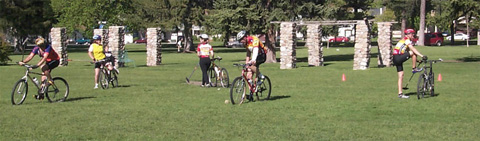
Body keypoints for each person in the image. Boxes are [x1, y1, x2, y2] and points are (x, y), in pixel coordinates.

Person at [393, 29, 427, 98]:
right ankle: (414, 68)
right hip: (398, 57)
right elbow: (413, 49)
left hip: (395, 58)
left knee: (401, 75)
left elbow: (409, 52)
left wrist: (417, 60)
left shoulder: (404, 40)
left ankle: (400, 94)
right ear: (408, 34)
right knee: (413, 52)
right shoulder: (407, 40)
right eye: (412, 34)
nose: (413, 35)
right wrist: (422, 56)